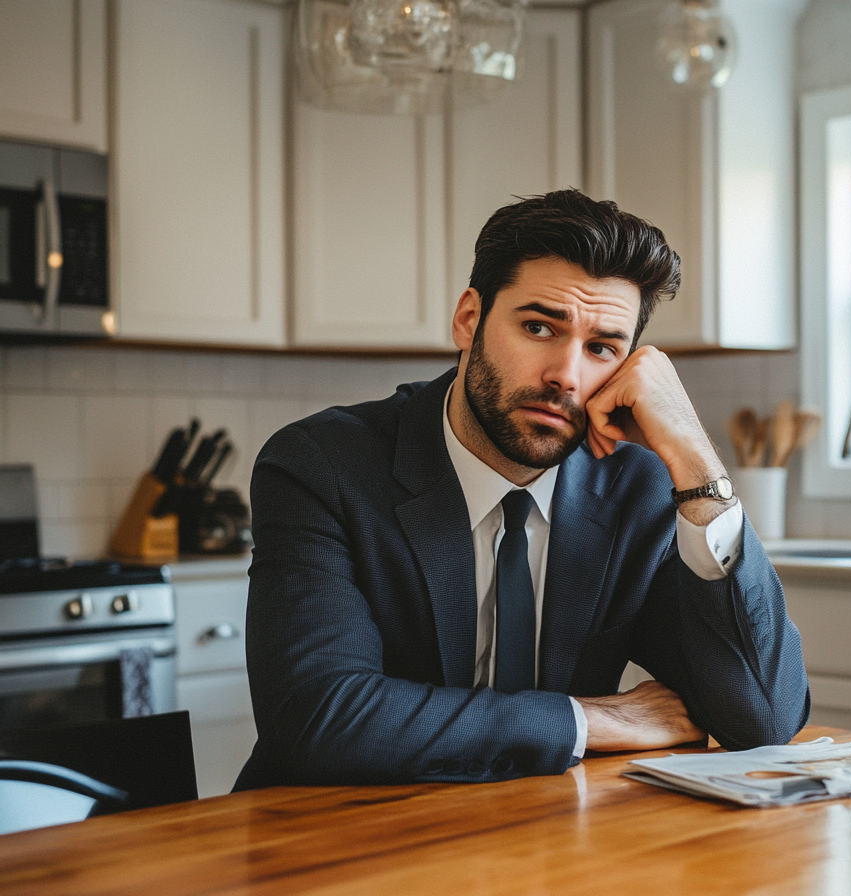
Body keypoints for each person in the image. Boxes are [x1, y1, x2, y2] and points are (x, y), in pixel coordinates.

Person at [235, 190, 809, 788]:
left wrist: (694, 458)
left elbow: (764, 715)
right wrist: (584, 721)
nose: (567, 374)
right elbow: (318, 721)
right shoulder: (325, 464)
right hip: (329, 844)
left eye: (602, 348)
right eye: (539, 327)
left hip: (544, 842)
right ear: (468, 319)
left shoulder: (636, 489)